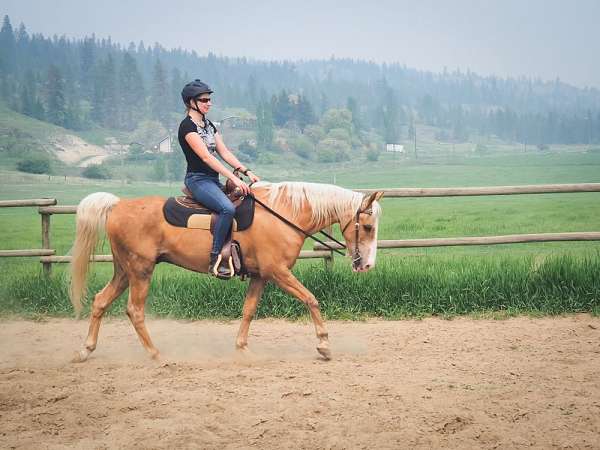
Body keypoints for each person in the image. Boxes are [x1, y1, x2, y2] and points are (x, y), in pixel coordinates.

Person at [178, 79, 260, 278]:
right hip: (198, 179)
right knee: (227, 208)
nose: (209, 103)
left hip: (212, 180)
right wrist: (234, 178)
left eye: (209, 99)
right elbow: (206, 156)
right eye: (204, 100)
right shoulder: (187, 127)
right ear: (191, 102)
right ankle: (216, 257)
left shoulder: (208, 125)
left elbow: (224, 152)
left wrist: (246, 171)